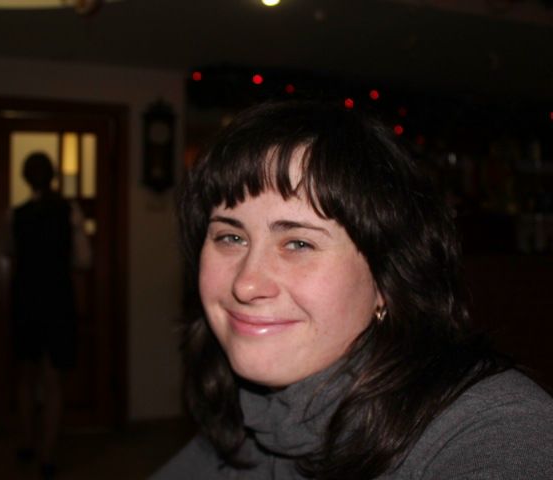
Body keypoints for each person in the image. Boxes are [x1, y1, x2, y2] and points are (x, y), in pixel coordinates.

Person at [152, 100, 553, 479]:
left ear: (387, 279)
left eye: (298, 244)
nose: (246, 283)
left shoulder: (496, 430)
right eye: (230, 237)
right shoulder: (252, 419)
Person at [10, 152, 90, 479]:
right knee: (52, 379)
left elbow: (8, 252)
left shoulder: (16, 215)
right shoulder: (69, 211)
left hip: (26, 301)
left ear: (26, 178)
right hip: (57, 300)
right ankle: (47, 454)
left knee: (26, 376)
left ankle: (27, 443)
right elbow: (84, 258)